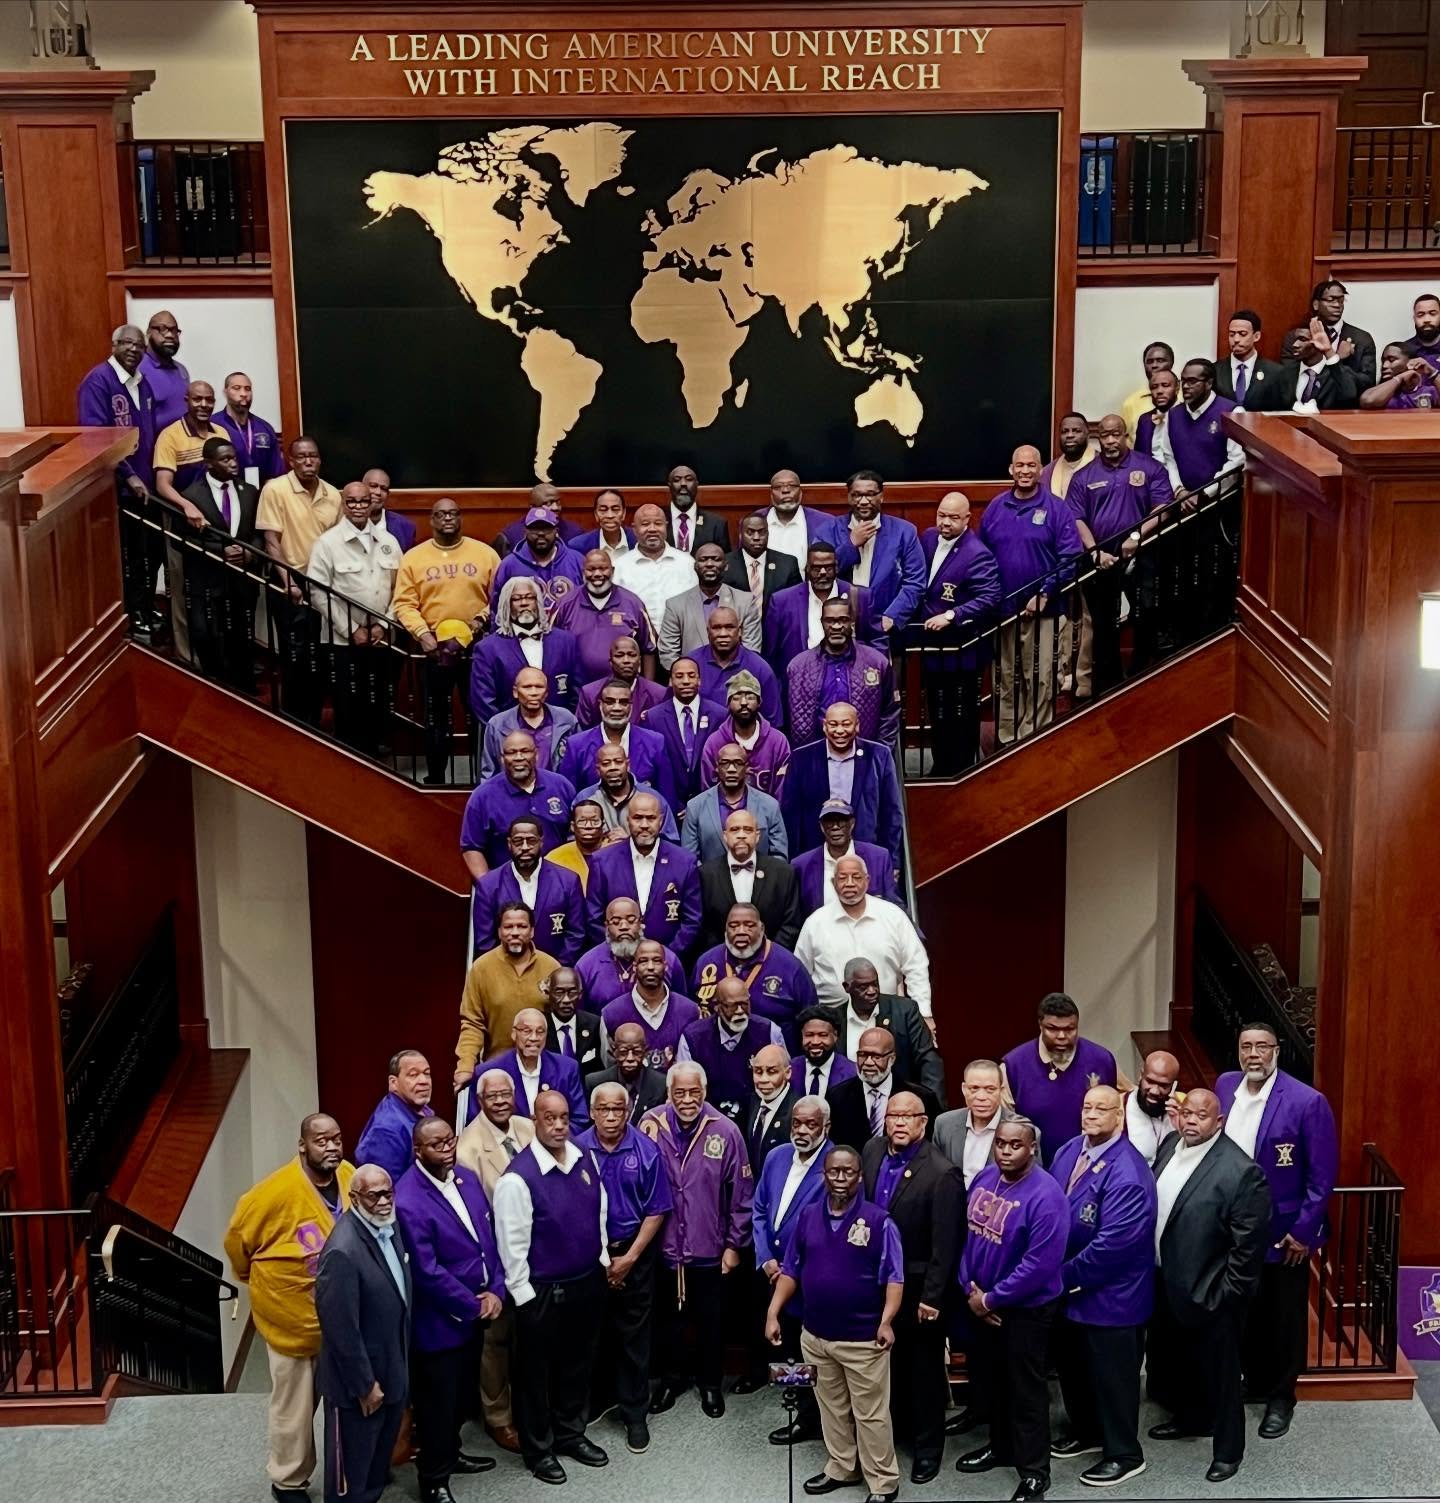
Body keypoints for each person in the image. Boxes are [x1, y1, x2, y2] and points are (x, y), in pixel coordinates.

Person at [1216, 1022, 1338, 1439]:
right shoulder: (1224, 1087)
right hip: (1232, 1228)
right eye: (1246, 1046)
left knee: (1283, 1317)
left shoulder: (1307, 1101)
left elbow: (1321, 1178)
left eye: (1262, 1047)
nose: (1253, 1054)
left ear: (1276, 1052)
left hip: (1285, 1233)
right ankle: (1255, 1381)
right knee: (1244, 1310)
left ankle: (1282, 1397)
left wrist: (1304, 1231)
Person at [225, 1115, 353, 1503]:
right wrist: (261, 1281)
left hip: (344, 1319)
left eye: (336, 1138)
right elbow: (238, 1246)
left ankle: (350, 1472)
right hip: (293, 1318)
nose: (331, 1147)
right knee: (294, 1408)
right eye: (321, 1141)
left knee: (347, 1402)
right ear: (302, 1146)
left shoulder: (349, 1175)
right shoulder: (271, 1194)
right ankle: (288, 1481)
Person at [764, 1144, 903, 1502]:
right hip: (815, 1335)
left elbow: (894, 1278)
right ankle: (842, 1467)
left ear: (859, 1176)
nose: (841, 1178)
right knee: (832, 1408)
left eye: (848, 1172)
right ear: (823, 1175)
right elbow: (791, 1268)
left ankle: (883, 1482)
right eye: (834, 1172)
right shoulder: (808, 1216)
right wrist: (773, 1312)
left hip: (862, 1340)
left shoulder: (879, 1221)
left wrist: (887, 1321)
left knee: (870, 1415)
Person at [1148, 1089, 1270, 1485]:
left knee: (1222, 1376)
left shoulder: (1240, 1171)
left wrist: (1223, 1296)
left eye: (1201, 1116)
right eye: (1185, 1113)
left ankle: (1228, 1452)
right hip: (1165, 1282)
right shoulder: (1169, 1145)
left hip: (1212, 1293)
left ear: (1218, 1122)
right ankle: (1190, 1420)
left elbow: (1247, 1249)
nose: (1191, 1121)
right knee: (1179, 1363)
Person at [493, 1090, 611, 1483]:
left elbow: (600, 1208)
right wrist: (525, 1298)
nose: (559, 1126)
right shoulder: (518, 1178)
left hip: (586, 1283)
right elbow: (512, 1245)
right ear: (535, 1120)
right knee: (535, 1375)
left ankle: (571, 1434)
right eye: (550, 1119)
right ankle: (539, 1449)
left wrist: (602, 1259)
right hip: (541, 1293)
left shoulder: (583, 1156)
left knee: (578, 1366)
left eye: (564, 1118)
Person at [1049, 1087, 1158, 1490]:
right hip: (1070, 1293)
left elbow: (1111, 1248)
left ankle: (1124, 1454)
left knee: (1114, 1381)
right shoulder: (1068, 1151)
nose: (1092, 1114)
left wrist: (1055, 1279)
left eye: (1102, 1109)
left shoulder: (1127, 1171)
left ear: (1120, 1117)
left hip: (1112, 1297)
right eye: (1087, 1106)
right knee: (1076, 1371)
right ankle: (1089, 1432)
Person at [955, 1119, 1069, 1501]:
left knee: (1026, 1390)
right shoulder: (985, 1178)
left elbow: (1039, 1264)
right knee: (992, 1382)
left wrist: (991, 1299)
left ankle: (1035, 1471)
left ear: (1032, 1148)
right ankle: (1000, 1448)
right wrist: (970, 1286)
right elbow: (967, 1235)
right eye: (1000, 1144)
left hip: (1026, 1310)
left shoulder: (1046, 1195)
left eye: (1014, 1145)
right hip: (981, 1300)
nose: (1004, 1151)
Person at [395, 1118, 504, 1503]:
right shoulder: (407, 1199)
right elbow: (426, 1271)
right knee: (436, 1405)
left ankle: (451, 1453)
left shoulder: (467, 1179)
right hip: (440, 1324)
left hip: (477, 1312)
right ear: (417, 1151)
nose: (445, 1147)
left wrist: (496, 1290)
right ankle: (433, 1480)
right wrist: (473, 1304)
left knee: (460, 1398)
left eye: (449, 1139)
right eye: (435, 1143)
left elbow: (486, 1238)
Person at [861, 1091, 963, 1486]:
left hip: (920, 1287)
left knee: (923, 1371)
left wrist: (933, 1298)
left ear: (924, 1123)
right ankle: (900, 1431)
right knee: (890, 1365)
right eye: (893, 1115)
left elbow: (946, 1244)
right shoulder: (871, 1151)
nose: (899, 1122)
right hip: (876, 1282)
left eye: (909, 1116)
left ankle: (927, 1449)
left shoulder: (942, 1171)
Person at [642, 1061, 753, 1418]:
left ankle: (709, 1385)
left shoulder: (726, 1129)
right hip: (663, 1246)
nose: (687, 1099)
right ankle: (670, 1382)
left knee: (711, 1321)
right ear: (669, 1093)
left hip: (709, 1246)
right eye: (679, 1092)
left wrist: (734, 1246)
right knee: (667, 1322)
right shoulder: (650, 1125)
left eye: (694, 1092)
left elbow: (742, 1194)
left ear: (704, 1092)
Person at [576, 1080, 674, 1454]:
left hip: (635, 1254)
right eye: (604, 1109)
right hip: (589, 1257)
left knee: (635, 1338)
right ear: (592, 1111)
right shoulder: (575, 1151)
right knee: (591, 1334)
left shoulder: (646, 1149)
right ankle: (595, 1403)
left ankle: (635, 1414)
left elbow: (657, 1209)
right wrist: (603, 1261)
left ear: (629, 1110)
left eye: (619, 1109)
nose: (612, 1116)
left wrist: (628, 1259)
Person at [314, 1164, 410, 1503]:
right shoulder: (342, 1251)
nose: (385, 1201)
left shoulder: (390, 1226)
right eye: (374, 1196)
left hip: (392, 1372)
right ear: (354, 1198)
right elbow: (341, 1331)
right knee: (349, 1481)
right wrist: (364, 1386)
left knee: (374, 1471)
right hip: (359, 1389)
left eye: (388, 1192)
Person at [979, 446, 1085, 744]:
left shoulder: (1056, 508)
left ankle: (1035, 739)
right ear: (1011, 470)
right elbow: (981, 557)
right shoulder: (996, 508)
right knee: (1006, 678)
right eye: (1020, 465)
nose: (1025, 471)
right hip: (1002, 612)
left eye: (1032, 465)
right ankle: (1007, 738)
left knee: (1041, 677)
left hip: (1045, 612)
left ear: (1041, 470)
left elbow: (1070, 557)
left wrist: (1045, 593)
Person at [390, 497, 499, 782]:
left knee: (477, 714)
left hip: (476, 648)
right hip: (433, 649)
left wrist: (479, 621)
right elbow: (404, 603)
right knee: (435, 717)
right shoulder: (414, 558)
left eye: (453, 513)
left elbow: (499, 597)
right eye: (441, 514)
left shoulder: (485, 554)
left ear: (460, 518)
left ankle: (481, 776)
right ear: (432, 520)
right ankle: (436, 777)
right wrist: (422, 634)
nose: (447, 519)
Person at [453, 1070, 532, 1455]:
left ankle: (530, 1406)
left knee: (527, 1336)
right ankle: (498, 1417)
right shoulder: (467, 1149)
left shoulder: (527, 1128)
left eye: (506, 1094)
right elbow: (474, 1219)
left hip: (535, 1254)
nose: (501, 1101)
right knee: (495, 1343)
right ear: (480, 1101)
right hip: (495, 1259)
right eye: (492, 1096)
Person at [1064, 415, 1174, 694]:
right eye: (1104, 435)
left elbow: (1164, 507)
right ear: (1097, 438)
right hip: (1101, 559)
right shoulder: (1083, 476)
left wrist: (1136, 538)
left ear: (1126, 435)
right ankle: (1106, 686)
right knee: (1103, 625)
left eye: (1116, 435)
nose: (1111, 441)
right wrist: (1095, 552)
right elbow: (1076, 519)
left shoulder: (1149, 468)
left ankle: (1140, 674)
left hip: (1142, 553)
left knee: (1145, 613)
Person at [752, 1093, 831, 1444]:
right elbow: (758, 1209)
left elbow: (830, 1228)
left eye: (810, 1124)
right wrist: (766, 1258)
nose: (801, 1130)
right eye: (796, 1123)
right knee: (784, 1349)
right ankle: (799, 1411)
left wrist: (790, 1270)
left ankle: (813, 1419)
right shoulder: (776, 1156)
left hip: (810, 1280)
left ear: (826, 1127)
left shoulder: (835, 1162)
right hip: (772, 1273)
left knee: (809, 1351)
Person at [305, 480, 401, 756]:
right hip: (342, 641)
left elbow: (401, 589)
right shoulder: (327, 543)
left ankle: (377, 757)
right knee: (348, 704)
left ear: (372, 503)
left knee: (380, 699)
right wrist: (351, 629)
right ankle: (351, 758)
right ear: (343, 504)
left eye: (363, 501)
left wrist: (383, 625)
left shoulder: (388, 541)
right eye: (352, 502)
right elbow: (316, 591)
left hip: (381, 639)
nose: (358, 506)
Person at [910, 490, 1002, 774]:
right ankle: (940, 764)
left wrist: (952, 614)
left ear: (967, 519)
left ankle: (960, 768)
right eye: (941, 515)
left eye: (952, 517)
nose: (945, 522)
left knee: (959, 713)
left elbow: (990, 595)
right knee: (937, 710)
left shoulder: (978, 554)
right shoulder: (927, 538)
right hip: (932, 647)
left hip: (962, 650)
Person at [794, 857, 930, 1014]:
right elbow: (800, 975)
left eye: (856, 877)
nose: (849, 883)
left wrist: (923, 1013)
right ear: (833, 882)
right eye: (842, 877)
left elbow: (916, 967)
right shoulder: (815, 923)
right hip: (833, 1020)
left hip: (887, 1015)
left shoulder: (892, 916)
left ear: (867, 880)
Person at [178, 436, 261, 691]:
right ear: (208, 463)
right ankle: (215, 683)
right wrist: (219, 551)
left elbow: (258, 534)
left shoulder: (249, 492)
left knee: (241, 635)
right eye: (225, 460)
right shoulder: (191, 496)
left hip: (241, 579)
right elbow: (179, 541)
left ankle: (245, 687)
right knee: (206, 633)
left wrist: (250, 554)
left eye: (233, 457)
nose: (233, 464)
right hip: (208, 580)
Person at [1002, 993, 1118, 1168]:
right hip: (1032, 1171)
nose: (1062, 1036)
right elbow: (1007, 1127)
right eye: (1053, 1029)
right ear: (1040, 1026)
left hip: (1088, 1168)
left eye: (1070, 1029)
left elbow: (1117, 1114)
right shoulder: (1013, 1065)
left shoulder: (1102, 1060)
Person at [453, 903, 562, 1088]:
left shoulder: (551, 967)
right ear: (499, 931)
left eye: (521, 926)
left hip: (542, 1071)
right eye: (508, 927)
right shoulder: (481, 968)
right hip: (496, 1070)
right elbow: (472, 1023)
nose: (515, 932)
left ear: (532, 931)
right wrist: (465, 1065)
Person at [584, 792, 702, 957]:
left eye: (651, 818)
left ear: (661, 821)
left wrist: (662, 958)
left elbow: (692, 920)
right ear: (628, 820)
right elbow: (593, 918)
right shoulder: (602, 861)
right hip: (615, 961)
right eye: (638, 818)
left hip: (667, 964)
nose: (644, 824)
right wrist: (618, 952)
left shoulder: (684, 862)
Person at [781, 704, 903, 858]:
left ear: (857, 726)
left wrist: (893, 860)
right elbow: (791, 814)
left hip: (867, 854)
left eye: (846, 724)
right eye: (833, 725)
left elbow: (891, 813)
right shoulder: (802, 758)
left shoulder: (879, 756)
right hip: (815, 854)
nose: (839, 731)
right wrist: (794, 860)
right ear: (825, 726)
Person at [691, 902, 819, 1044]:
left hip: (774, 1059)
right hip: (717, 1055)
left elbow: (812, 1019)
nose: (741, 931)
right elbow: (692, 1014)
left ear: (762, 928)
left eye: (749, 925)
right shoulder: (706, 963)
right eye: (733, 926)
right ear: (725, 930)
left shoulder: (790, 967)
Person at [822, 958, 944, 1100]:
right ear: (847, 987)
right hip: (851, 1105)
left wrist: (931, 1105)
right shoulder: (834, 1019)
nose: (872, 991)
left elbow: (929, 1061)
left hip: (899, 1104)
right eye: (863, 987)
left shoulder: (905, 1011)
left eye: (875, 984)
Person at [787, 596, 900, 747]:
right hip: (815, 758)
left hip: (863, 756)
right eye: (830, 621)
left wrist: (880, 753)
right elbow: (788, 718)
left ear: (852, 622)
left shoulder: (877, 663)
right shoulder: (798, 667)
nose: (836, 626)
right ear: (822, 623)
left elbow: (890, 713)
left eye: (842, 620)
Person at [459, 730, 575, 877]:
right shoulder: (482, 796)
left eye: (525, 751)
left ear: (536, 754)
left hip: (558, 884)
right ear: (502, 758)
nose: (518, 757)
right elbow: (471, 847)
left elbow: (575, 836)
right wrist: (488, 887)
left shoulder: (561, 786)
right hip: (507, 887)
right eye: (511, 753)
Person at [472, 815, 585, 964]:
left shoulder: (568, 881)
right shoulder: (488, 885)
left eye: (531, 841)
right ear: (509, 844)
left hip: (556, 975)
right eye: (518, 841)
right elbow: (485, 941)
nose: (525, 847)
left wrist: (553, 971)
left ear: (541, 842)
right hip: (506, 976)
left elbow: (576, 934)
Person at [469, 576, 580, 722]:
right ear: (506, 605)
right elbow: (483, 702)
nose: (524, 603)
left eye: (530, 597)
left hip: (559, 734)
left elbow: (577, 692)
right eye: (516, 599)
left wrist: (565, 728)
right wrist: (507, 735)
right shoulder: (487, 648)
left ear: (539, 602)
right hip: (511, 739)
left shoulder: (565, 641)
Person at [676, 976, 787, 1119]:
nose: (740, 1011)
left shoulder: (769, 1032)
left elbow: (784, 1082)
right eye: (733, 1005)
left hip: (757, 1117)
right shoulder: (692, 1038)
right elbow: (685, 1086)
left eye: (745, 1004)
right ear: (716, 1006)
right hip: (707, 1118)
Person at [764, 540, 882, 671]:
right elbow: (771, 654)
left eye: (828, 567)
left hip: (849, 678)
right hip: (800, 680)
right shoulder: (782, 601)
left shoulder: (860, 597)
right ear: (807, 568)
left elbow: (877, 643)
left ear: (837, 567)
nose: (823, 573)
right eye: (816, 568)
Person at [76, 323, 158, 513]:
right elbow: (95, 438)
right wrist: (128, 475)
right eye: (127, 343)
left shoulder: (143, 383)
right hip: (117, 488)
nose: (133, 349)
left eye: (139, 345)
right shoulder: (97, 381)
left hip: (144, 484)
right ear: (114, 346)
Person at [833, 468, 925, 633]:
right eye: (856, 495)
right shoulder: (829, 529)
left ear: (881, 496)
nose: (863, 501)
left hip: (883, 622)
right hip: (839, 623)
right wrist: (850, 544)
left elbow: (915, 582)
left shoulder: (904, 532)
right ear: (848, 497)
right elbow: (820, 574)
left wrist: (893, 616)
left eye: (870, 494)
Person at [466, 1007, 588, 1131]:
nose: (534, 1038)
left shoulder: (566, 1068)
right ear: (514, 1033)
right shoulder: (487, 1072)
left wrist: (552, 1138)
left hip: (555, 1145)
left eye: (540, 1032)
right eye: (526, 1031)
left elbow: (580, 1120)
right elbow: (476, 1124)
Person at [827, 1027, 942, 1151]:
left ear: (892, 1059)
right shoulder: (837, 1097)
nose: (868, 1062)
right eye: (863, 1055)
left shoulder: (922, 1098)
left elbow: (930, 1147)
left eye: (876, 1056)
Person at [552, 546, 656, 683]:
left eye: (603, 568)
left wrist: (647, 687)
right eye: (591, 569)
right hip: (577, 691)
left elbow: (649, 649)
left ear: (612, 571)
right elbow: (551, 646)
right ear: (583, 572)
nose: (597, 574)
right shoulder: (565, 604)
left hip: (624, 692)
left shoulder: (633, 603)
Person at [697, 813, 801, 949]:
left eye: (748, 830)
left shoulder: (783, 873)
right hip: (722, 962)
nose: (741, 835)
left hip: (772, 961)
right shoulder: (706, 875)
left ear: (757, 836)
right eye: (735, 830)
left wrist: (769, 956)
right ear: (725, 836)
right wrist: (725, 957)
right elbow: (704, 925)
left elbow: (791, 923)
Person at [560, 680, 672, 805]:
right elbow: (568, 798)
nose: (617, 708)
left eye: (623, 702)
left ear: (631, 706)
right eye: (610, 702)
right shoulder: (577, 745)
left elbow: (666, 798)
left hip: (643, 821)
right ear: (600, 705)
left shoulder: (655, 742)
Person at [600, 938, 701, 1070]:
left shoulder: (690, 1011)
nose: (650, 967)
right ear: (634, 967)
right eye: (643, 961)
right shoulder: (611, 1014)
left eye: (657, 961)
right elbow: (610, 1069)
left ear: (666, 966)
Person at [639, 656, 726, 810]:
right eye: (679, 676)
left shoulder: (719, 715)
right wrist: (672, 804)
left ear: (699, 680)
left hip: (710, 804)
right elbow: (653, 767)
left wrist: (701, 803)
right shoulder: (654, 718)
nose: (686, 681)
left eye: (691, 676)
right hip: (670, 806)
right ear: (671, 681)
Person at [659, 540, 761, 667]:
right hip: (692, 682)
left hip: (734, 679)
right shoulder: (675, 605)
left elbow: (751, 649)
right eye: (703, 560)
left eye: (715, 559)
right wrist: (688, 676)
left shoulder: (745, 601)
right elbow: (668, 652)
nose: (709, 564)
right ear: (695, 566)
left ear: (726, 565)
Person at [575, 896, 688, 1009]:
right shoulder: (587, 965)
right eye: (616, 922)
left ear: (641, 923)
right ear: (606, 926)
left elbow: (681, 1006)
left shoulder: (666, 958)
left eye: (631, 920)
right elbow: (582, 1017)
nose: (624, 927)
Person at [682, 744, 787, 865]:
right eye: (725, 763)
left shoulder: (770, 806)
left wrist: (765, 881)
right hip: (710, 882)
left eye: (737, 763)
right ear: (717, 768)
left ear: (747, 768)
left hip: (760, 881)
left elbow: (780, 857)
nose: (731, 769)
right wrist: (709, 881)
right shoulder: (695, 807)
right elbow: (689, 859)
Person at [791, 799, 901, 911]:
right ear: (821, 827)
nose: (835, 827)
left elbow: (894, 905)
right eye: (829, 821)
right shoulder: (801, 866)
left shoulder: (878, 858)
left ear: (852, 823)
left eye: (841, 821)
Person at [697, 669, 791, 798]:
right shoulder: (714, 742)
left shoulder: (777, 741)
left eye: (750, 697)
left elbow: (783, 791)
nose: (744, 703)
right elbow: (708, 792)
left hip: (767, 815)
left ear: (759, 702)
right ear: (728, 704)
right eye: (736, 697)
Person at [691, 606, 784, 726]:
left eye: (729, 627)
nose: (723, 634)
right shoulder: (691, 664)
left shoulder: (760, 669)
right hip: (700, 742)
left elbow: (773, 723)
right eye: (716, 628)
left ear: (740, 631)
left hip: (746, 743)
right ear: (708, 632)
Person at [934, 1057, 1018, 1188]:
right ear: (964, 1089)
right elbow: (936, 1175)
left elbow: (1029, 1185)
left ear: (1001, 1091)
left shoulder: (1022, 1130)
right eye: (974, 1088)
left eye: (990, 1089)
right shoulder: (944, 1124)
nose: (981, 1097)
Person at [480, 665, 577, 777]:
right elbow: (488, 772)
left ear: (546, 693)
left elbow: (578, 763)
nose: (533, 692)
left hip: (555, 789)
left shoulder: (566, 720)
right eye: (527, 687)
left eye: (539, 687)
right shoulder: (497, 725)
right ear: (515, 692)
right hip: (511, 790)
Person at [355, 1049, 434, 1185]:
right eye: (413, 1075)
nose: (424, 1081)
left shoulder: (422, 1111)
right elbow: (385, 1192)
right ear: (393, 1083)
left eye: (427, 1074)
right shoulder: (385, 1130)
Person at [613, 502, 697, 631]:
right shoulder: (620, 566)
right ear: (634, 529)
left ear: (666, 526)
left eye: (658, 523)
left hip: (681, 642)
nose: (652, 529)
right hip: (636, 643)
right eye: (645, 524)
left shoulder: (686, 563)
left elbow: (696, 605)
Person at [1242, 322, 1361, 413]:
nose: (1295, 345)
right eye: (1295, 339)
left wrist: (1328, 351)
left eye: (1303, 340)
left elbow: (1349, 395)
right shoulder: (1284, 373)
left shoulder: (1336, 373)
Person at [574, 742, 680, 843]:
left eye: (618, 762)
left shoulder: (652, 798)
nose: (613, 767)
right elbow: (573, 840)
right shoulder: (585, 798)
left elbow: (670, 842)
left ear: (628, 765)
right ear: (598, 769)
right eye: (606, 763)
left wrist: (632, 840)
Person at [491, 506, 584, 614]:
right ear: (525, 532)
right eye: (535, 528)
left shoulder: (577, 561)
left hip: (568, 630)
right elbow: (497, 607)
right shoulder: (509, 565)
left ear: (556, 531)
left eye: (546, 528)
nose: (541, 533)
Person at [153, 378, 221, 515]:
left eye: (209, 400)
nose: (204, 404)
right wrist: (186, 506)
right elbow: (162, 485)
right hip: (186, 515)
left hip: (219, 513)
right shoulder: (169, 436)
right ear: (186, 401)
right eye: (197, 399)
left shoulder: (222, 432)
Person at [574, 634, 667, 727]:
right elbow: (582, 735)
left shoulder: (659, 694)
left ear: (639, 660)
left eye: (632, 655)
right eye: (619, 655)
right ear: (611, 662)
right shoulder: (590, 693)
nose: (626, 660)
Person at [585, 1019, 668, 1122]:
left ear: (645, 1051)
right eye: (624, 1052)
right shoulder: (595, 1082)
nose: (630, 1058)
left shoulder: (661, 1084)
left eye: (636, 1052)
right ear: (614, 1051)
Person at [213, 371, 284, 487]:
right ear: (225, 392)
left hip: (261, 494)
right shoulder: (214, 425)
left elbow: (275, 473)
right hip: (226, 494)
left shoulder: (265, 428)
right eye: (236, 388)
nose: (243, 393)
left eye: (247, 389)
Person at [724, 510, 801, 608]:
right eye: (750, 532)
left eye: (761, 532)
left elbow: (796, 601)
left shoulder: (788, 564)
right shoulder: (725, 563)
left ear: (768, 534)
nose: (756, 537)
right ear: (740, 535)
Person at [763, 467, 839, 567]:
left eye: (792, 486)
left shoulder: (825, 522)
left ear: (800, 492)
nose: (786, 490)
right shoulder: (754, 521)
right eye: (778, 486)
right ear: (771, 494)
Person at [742, 1042, 798, 1173]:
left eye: (771, 1072)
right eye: (758, 1072)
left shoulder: (797, 1110)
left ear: (788, 1072)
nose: (763, 1079)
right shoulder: (751, 1102)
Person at [1310, 278, 1376, 387]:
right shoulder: (1300, 337)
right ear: (1316, 304)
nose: (1337, 305)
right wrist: (1337, 358)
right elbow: (1292, 380)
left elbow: (1367, 383)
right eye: (1331, 300)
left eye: (1341, 301)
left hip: (1345, 402)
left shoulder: (1362, 338)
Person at [492, 482, 587, 557]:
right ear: (532, 507)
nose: (555, 508)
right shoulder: (509, 536)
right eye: (548, 503)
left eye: (558, 503)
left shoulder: (576, 533)